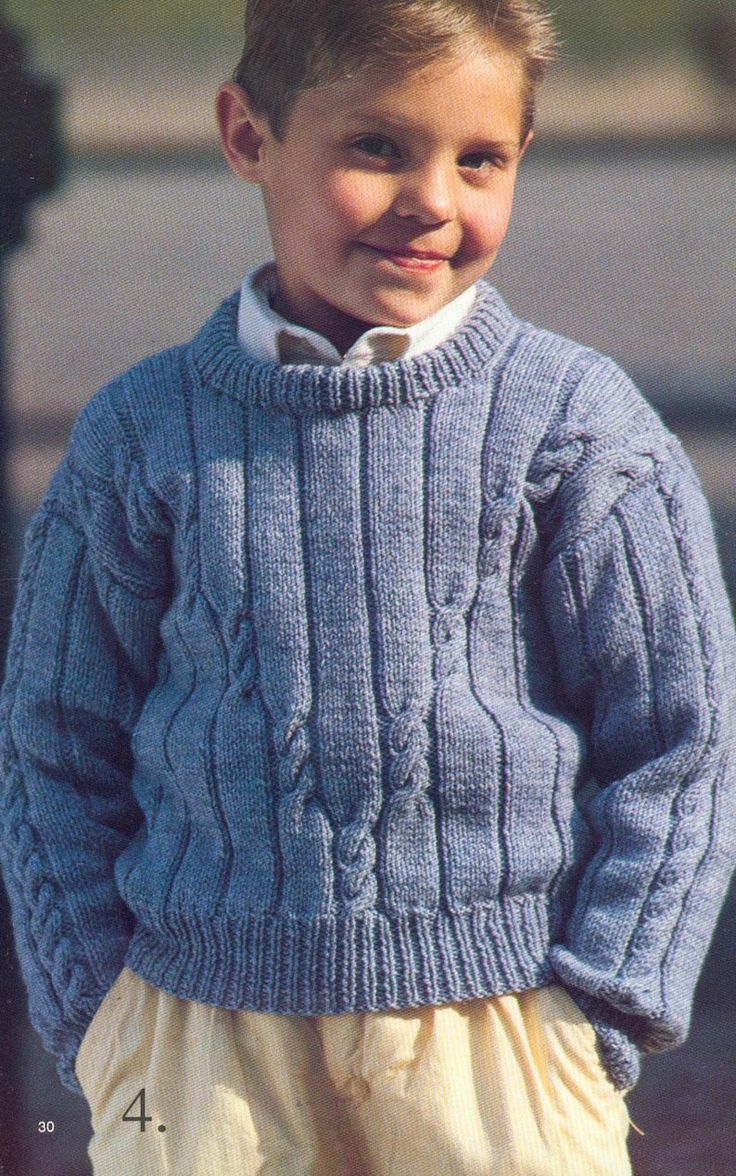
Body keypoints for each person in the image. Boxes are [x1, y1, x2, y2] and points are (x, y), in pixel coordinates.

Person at [1, 1, 734, 1172]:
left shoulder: (578, 429)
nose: (431, 200)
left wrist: (605, 1013)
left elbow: (679, 741)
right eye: (376, 147)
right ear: (248, 136)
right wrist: (104, 1027)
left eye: (479, 158)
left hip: (502, 1045)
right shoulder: (139, 437)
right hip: (197, 1049)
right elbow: (53, 737)